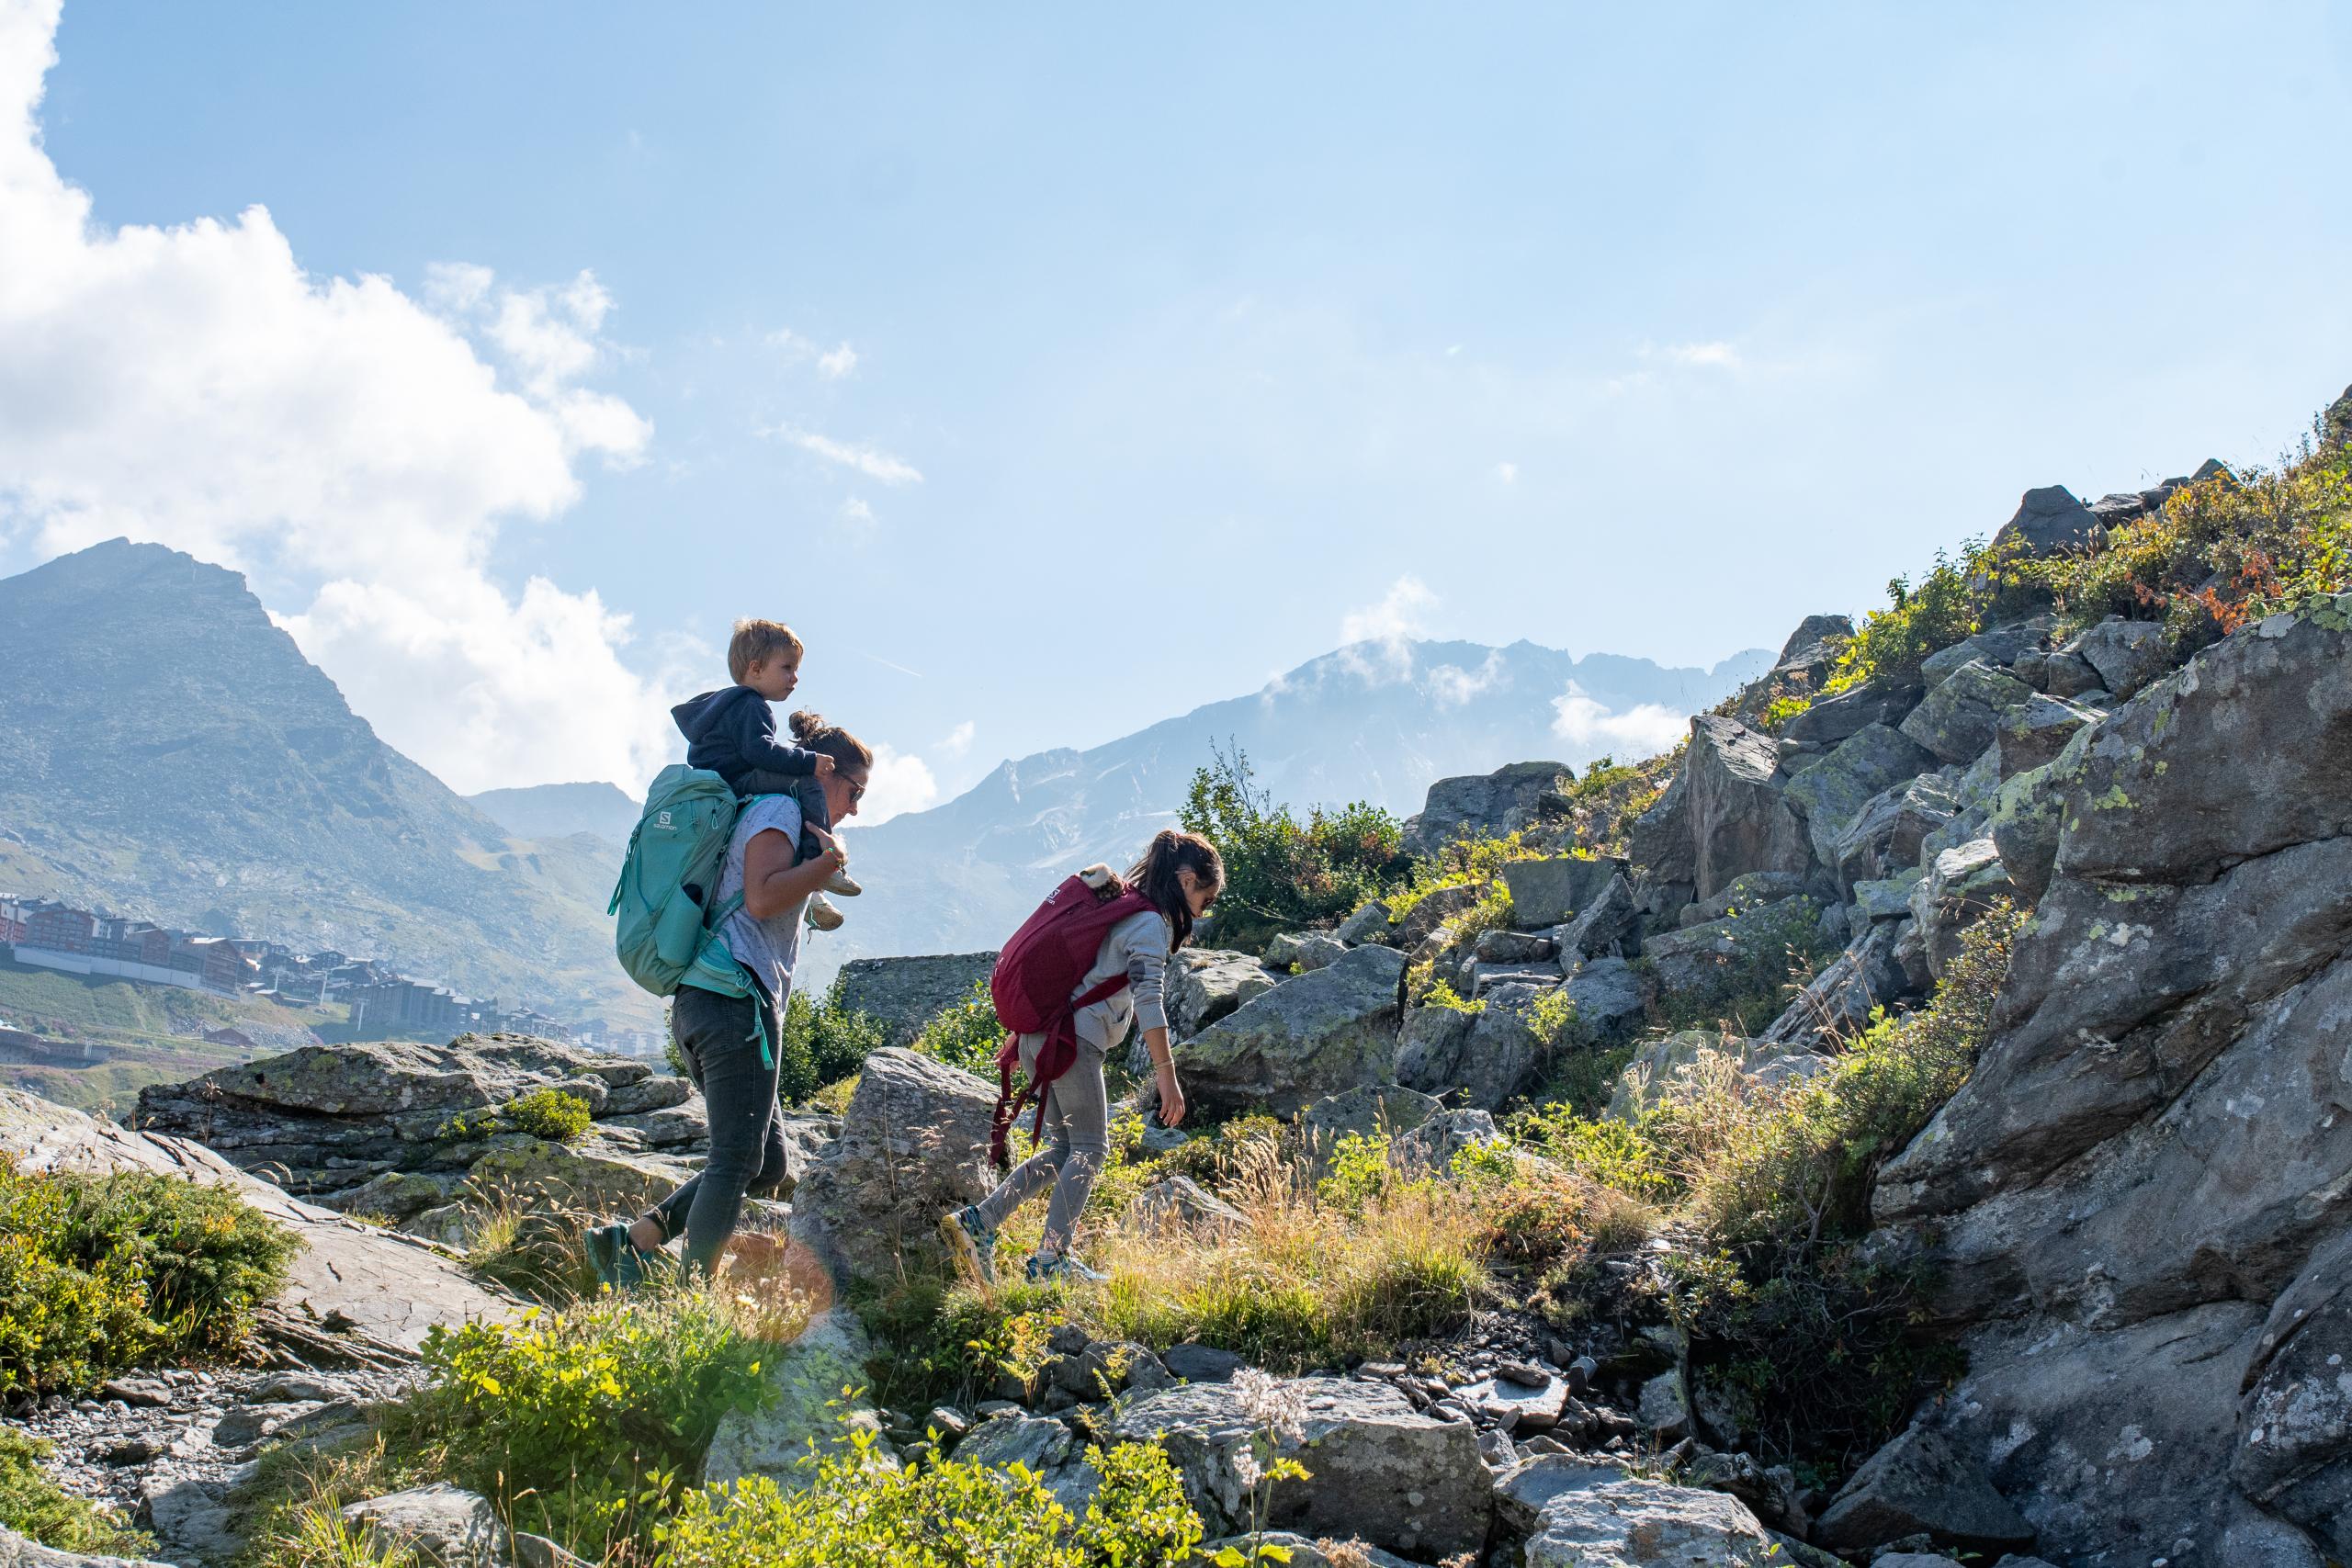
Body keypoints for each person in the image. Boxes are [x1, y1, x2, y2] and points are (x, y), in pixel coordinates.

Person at [584, 713, 873, 1286]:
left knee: (766, 1164)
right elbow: (762, 899)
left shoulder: (783, 812)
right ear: (826, 773)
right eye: (855, 791)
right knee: (735, 1160)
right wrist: (824, 866)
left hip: (723, 1002)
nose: (856, 808)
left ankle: (632, 1241)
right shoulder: (780, 811)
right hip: (731, 999)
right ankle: (694, 1296)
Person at [940, 829, 1223, 1284]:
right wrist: (1167, 1077)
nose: (1204, 910)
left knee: (1064, 1149)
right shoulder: (1148, 923)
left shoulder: (1120, 906)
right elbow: (1150, 1000)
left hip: (1041, 1037)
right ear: (1187, 879)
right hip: (1072, 1042)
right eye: (1206, 898)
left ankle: (979, 1223)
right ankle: (1051, 1261)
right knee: (1090, 1149)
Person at [671, 618, 861, 932]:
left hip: (721, 785)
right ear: (756, 668)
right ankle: (819, 865)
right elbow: (759, 752)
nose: (795, 678)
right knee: (806, 786)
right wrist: (808, 761)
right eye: (787, 668)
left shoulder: (727, 705)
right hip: (737, 779)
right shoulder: (751, 705)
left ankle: (809, 891)